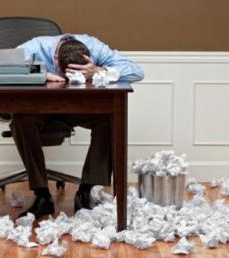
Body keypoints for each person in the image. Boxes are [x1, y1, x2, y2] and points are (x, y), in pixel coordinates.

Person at [12, 34, 144, 218]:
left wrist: (98, 70)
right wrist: (38, 74)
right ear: (55, 59)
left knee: (109, 119)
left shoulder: (95, 48)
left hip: (78, 108)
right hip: (39, 109)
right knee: (20, 119)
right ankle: (42, 194)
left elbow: (137, 71)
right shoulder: (36, 47)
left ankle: (86, 190)